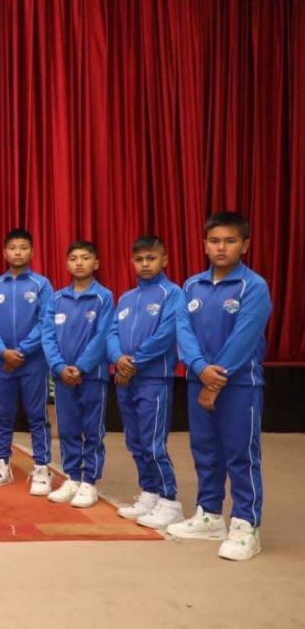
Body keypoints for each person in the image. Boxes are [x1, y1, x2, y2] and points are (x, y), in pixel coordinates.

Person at [167, 211, 271, 561]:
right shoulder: (191, 286)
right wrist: (199, 369)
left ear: (245, 245)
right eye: (214, 241)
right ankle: (210, 515)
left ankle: (246, 525)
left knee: (241, 454)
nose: (221, 247)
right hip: (198, 381)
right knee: (205, 451)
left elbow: (245, 337)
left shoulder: (253, 286)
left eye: (230, 241)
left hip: (240, 386)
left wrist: (216, 379)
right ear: (205, 245)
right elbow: (183, 331)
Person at [106, 236, 183, 528]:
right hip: (125, 378)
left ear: (164, 260)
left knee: (153, 442)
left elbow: (165, 335)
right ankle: (149, 492)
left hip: (153, 379)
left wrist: (134, 362)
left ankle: (169, 500)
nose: (145, 264)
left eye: (151, 258)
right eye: (139, 260)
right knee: (134, 441)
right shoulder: (127, 298)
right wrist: (118, 358)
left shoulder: (172, 293)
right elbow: (112, 333)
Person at [0, 229, 54, 495]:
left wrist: (21, 351)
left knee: (36, 414)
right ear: (5, 253)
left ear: (31, 252)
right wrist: (3, 351)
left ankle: (42, 468)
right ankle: (2, 464)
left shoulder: (41, 285)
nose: (18, 252)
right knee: (2, 414)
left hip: (32, 361)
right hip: (1, 362)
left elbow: (45, 321)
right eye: (12, 248)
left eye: (23, 247)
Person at [42, 240, 114, 508]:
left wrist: (81, 367)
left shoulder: (104, 297)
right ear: (67, 264)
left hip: (92, 376)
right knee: (68, 428)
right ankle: (72, 477)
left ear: (96, 263)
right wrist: (60, 367)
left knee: (92, 431)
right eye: (74, 258)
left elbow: (102, 336)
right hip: (63, 377)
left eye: (85, 257)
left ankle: (89, 482)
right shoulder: (57, 299)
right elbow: (48, 336)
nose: (79, 263)